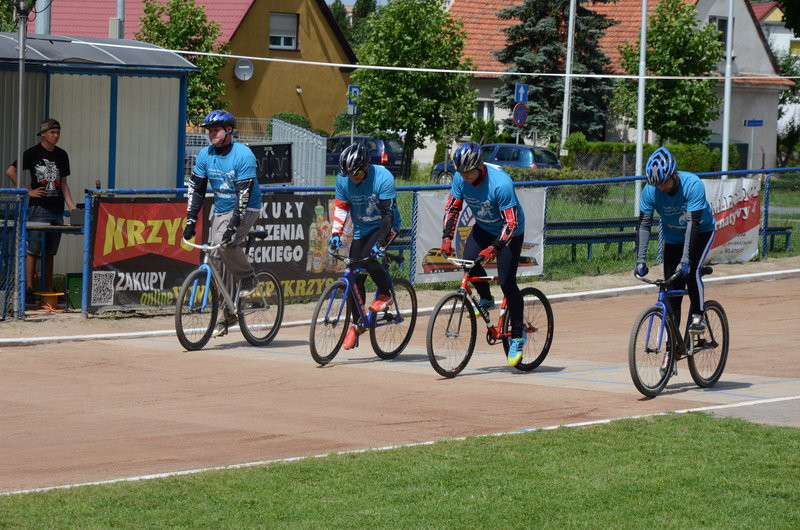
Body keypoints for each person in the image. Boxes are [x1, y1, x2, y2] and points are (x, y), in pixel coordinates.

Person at [439, 141, 527, 367]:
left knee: (507, 282)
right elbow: (453, 208)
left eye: (469, 172)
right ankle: (486, 299)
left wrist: (494, 248)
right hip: (484, 227)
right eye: (461, 172)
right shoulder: (460, 178)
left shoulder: (501, 184)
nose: (465, 176)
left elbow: (511, 223)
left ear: (479, 166)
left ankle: (517, 335)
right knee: (470, 263)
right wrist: (447, 237)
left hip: (510, 232)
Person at [183, 110, 261, 337]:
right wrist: (190, 220)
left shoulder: (243, 155)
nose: (211, 134)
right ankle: (228, 313)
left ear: (229, 130)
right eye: (209, 130)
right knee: (215, 259)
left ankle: (248, 278)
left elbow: (243, 197)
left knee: (225, 244)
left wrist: (232, 227)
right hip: (221, 208)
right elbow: (196, 190)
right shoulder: (205, 155)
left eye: (215, 130)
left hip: (247, 207)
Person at [328, 142, 402, 350]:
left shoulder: (383, 177)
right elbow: (342, 208)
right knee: (353, 274)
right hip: (361, 229)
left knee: (370, 257)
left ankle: (385, 293)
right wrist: (336, 234)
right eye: (349, 174)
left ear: (366, 166)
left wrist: (380, 243)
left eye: (357, 173)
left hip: (385, 226)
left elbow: (388, 214)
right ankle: (357, 324)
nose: (353, 178)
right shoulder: (343, 180)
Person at [635, 146, 716, 334]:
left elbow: (692, 224)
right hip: (672, 238)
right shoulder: (651, 191)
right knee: (671, 289)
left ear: (675, 174)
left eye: (665, 183)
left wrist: (686, 259)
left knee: (690, 272)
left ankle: (698, 315)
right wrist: (640, 260)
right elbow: (644, 225)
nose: (662, 187)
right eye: (658, 185)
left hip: (700, 231)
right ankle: (672, 348)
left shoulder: (693, 184)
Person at [6, 118, 78, 303]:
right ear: (43, 134)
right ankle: (29, 288)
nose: (56, 136)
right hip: (38, 208)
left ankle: (48, 288)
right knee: (34, 249)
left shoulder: (62, 155)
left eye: (58, 132)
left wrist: (71, 206)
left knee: (51, 250)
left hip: (57, 209)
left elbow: (64, 184)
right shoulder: (32, 153)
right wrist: (27, 191)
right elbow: (10, 171)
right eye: (52, 132)